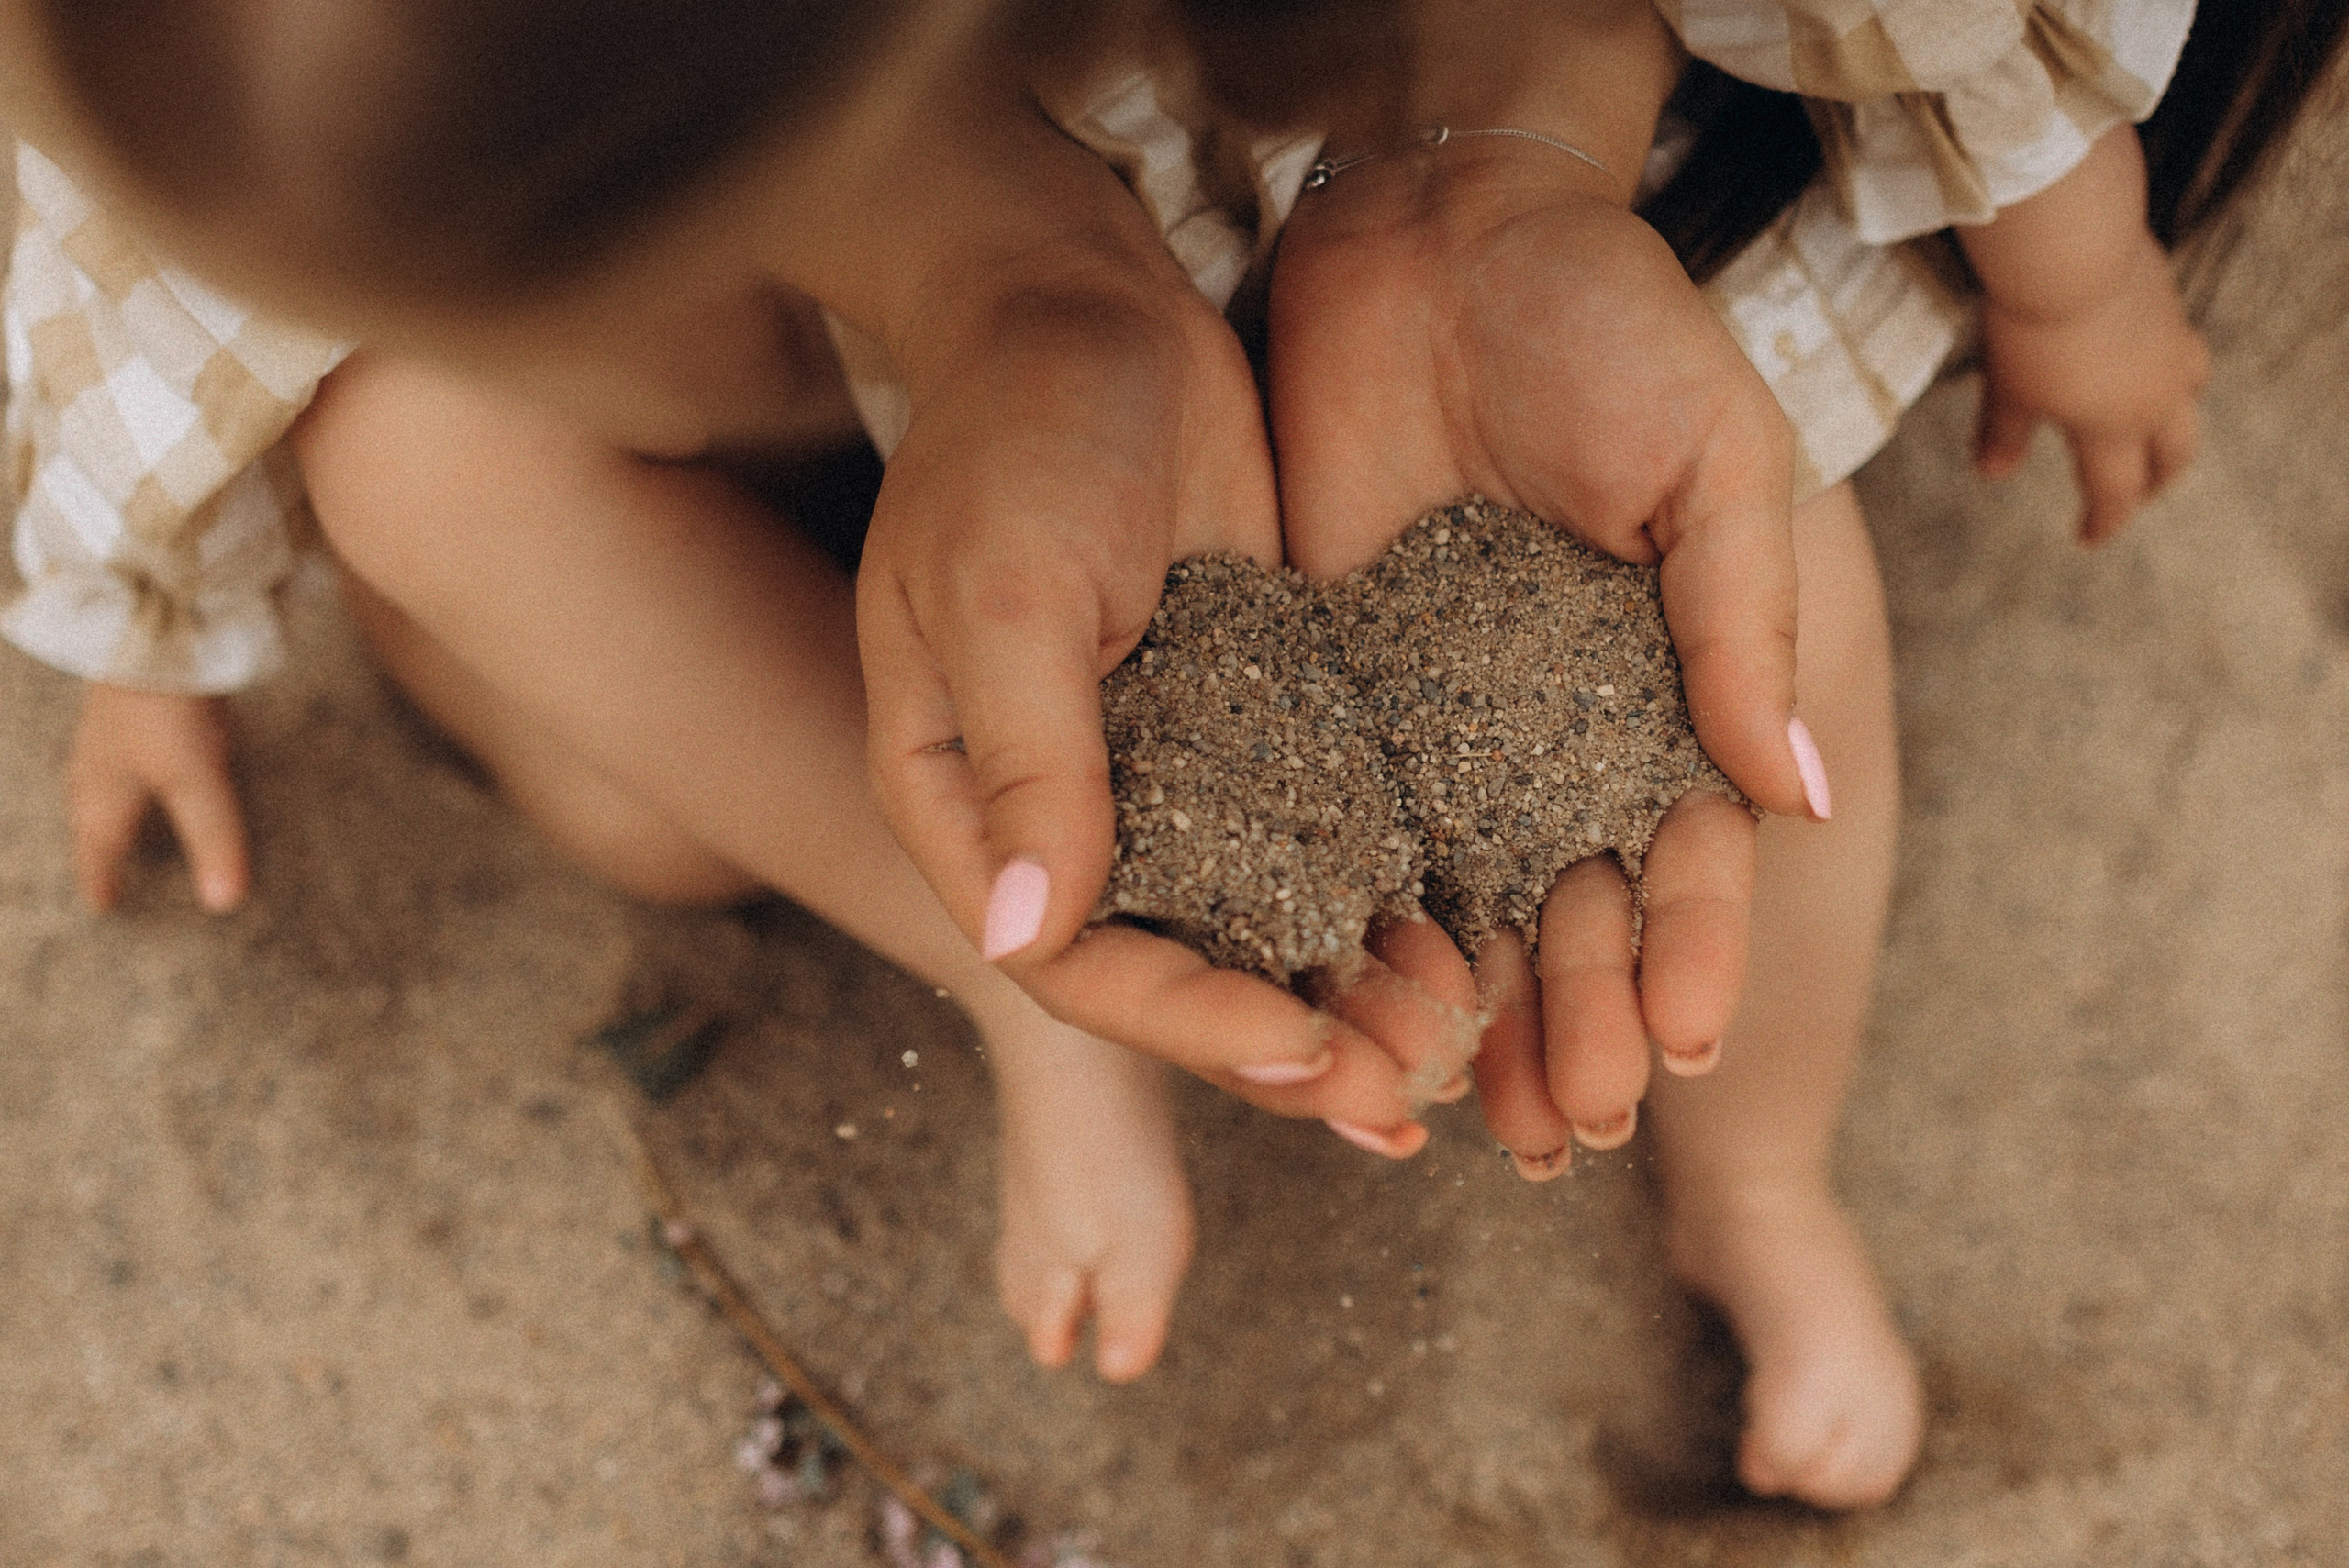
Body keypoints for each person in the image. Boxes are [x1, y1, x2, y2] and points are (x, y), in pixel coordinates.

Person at [3, 0, 2338, 1516]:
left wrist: (2067, 268)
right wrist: (150, 644)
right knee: (423, 485)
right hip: (878, 327)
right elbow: (190, 221)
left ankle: (1760, 1184)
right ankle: (1024, 940)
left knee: (1767, 641)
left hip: (1377, 193)